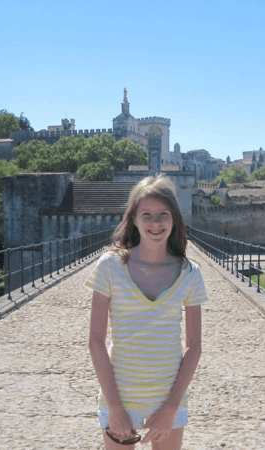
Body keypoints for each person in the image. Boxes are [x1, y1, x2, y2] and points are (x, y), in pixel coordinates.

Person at [86, 174, 208, 449]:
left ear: (174, 219)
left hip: (169, 398)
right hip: (119, 397)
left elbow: (194, 346)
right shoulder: (110, 267)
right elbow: (95, 341)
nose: (156, 222)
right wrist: (115, 408)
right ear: (134, 219)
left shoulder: (190, 274)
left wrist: (170, 409)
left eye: (164, 214)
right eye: (147, 214)